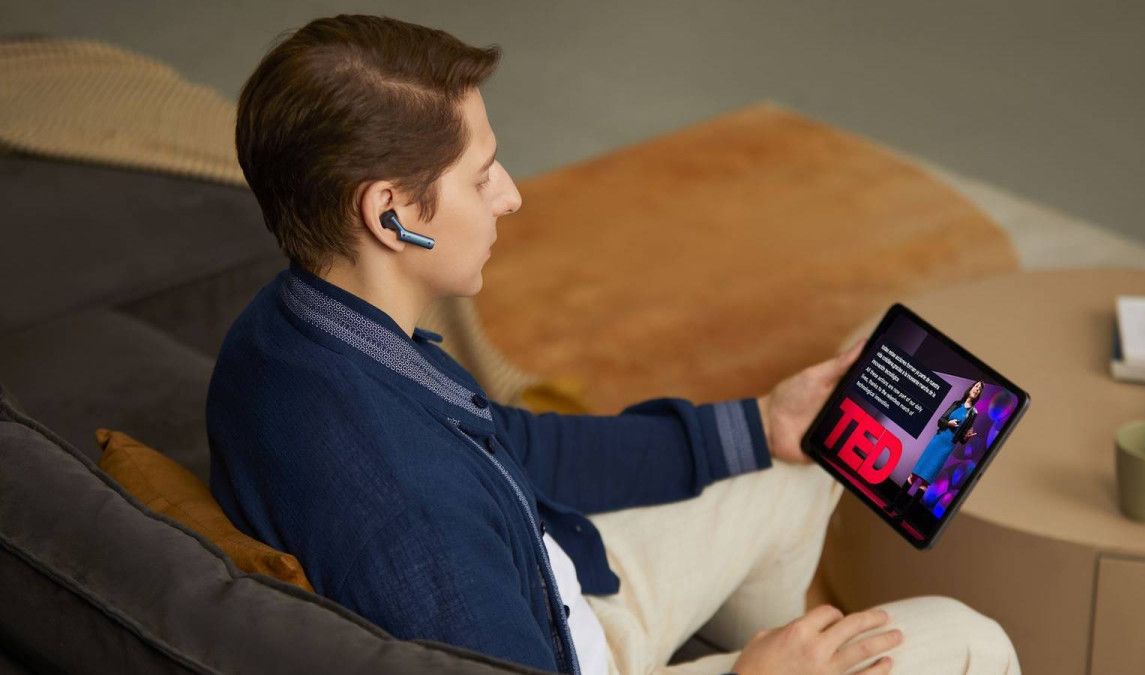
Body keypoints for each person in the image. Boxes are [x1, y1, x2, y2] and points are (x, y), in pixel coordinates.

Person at [206, 14, 1022, 675]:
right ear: (390, 214)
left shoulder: (285, 330)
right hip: (561, 648)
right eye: (481, 175)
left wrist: (758, 421)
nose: (510, 196)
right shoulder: (411, 509)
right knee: (972, 639)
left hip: (556, 591)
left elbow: (516, 446)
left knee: (806, 446)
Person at [884, 381, 982, 520]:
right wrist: (948, 423)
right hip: (937, 441)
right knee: (914, 475)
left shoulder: (973, 413)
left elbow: (962, 438)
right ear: (971, 388)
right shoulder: (956, 404)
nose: (977, 389)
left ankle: (903, 515)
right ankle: (893, 505)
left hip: (947, 446)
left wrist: (966, 438)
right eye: (976, 386)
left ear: (978, 394)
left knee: (925, 481)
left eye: (979, 389)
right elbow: (940, 421)